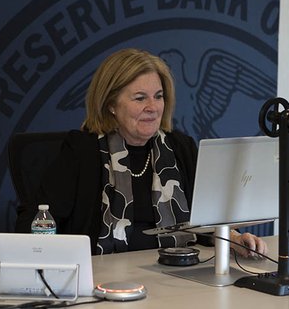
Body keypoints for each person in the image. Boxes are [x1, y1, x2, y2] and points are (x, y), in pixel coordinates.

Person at [16, 48, 267, 257]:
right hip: (104, 280)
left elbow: (205, 221)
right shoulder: (82, 151)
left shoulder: (181, 148)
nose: (153, 107)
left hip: (177, 277)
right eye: (139, 98)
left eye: (158, 96)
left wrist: (233, 238)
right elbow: (37, 222)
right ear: (111, 104)